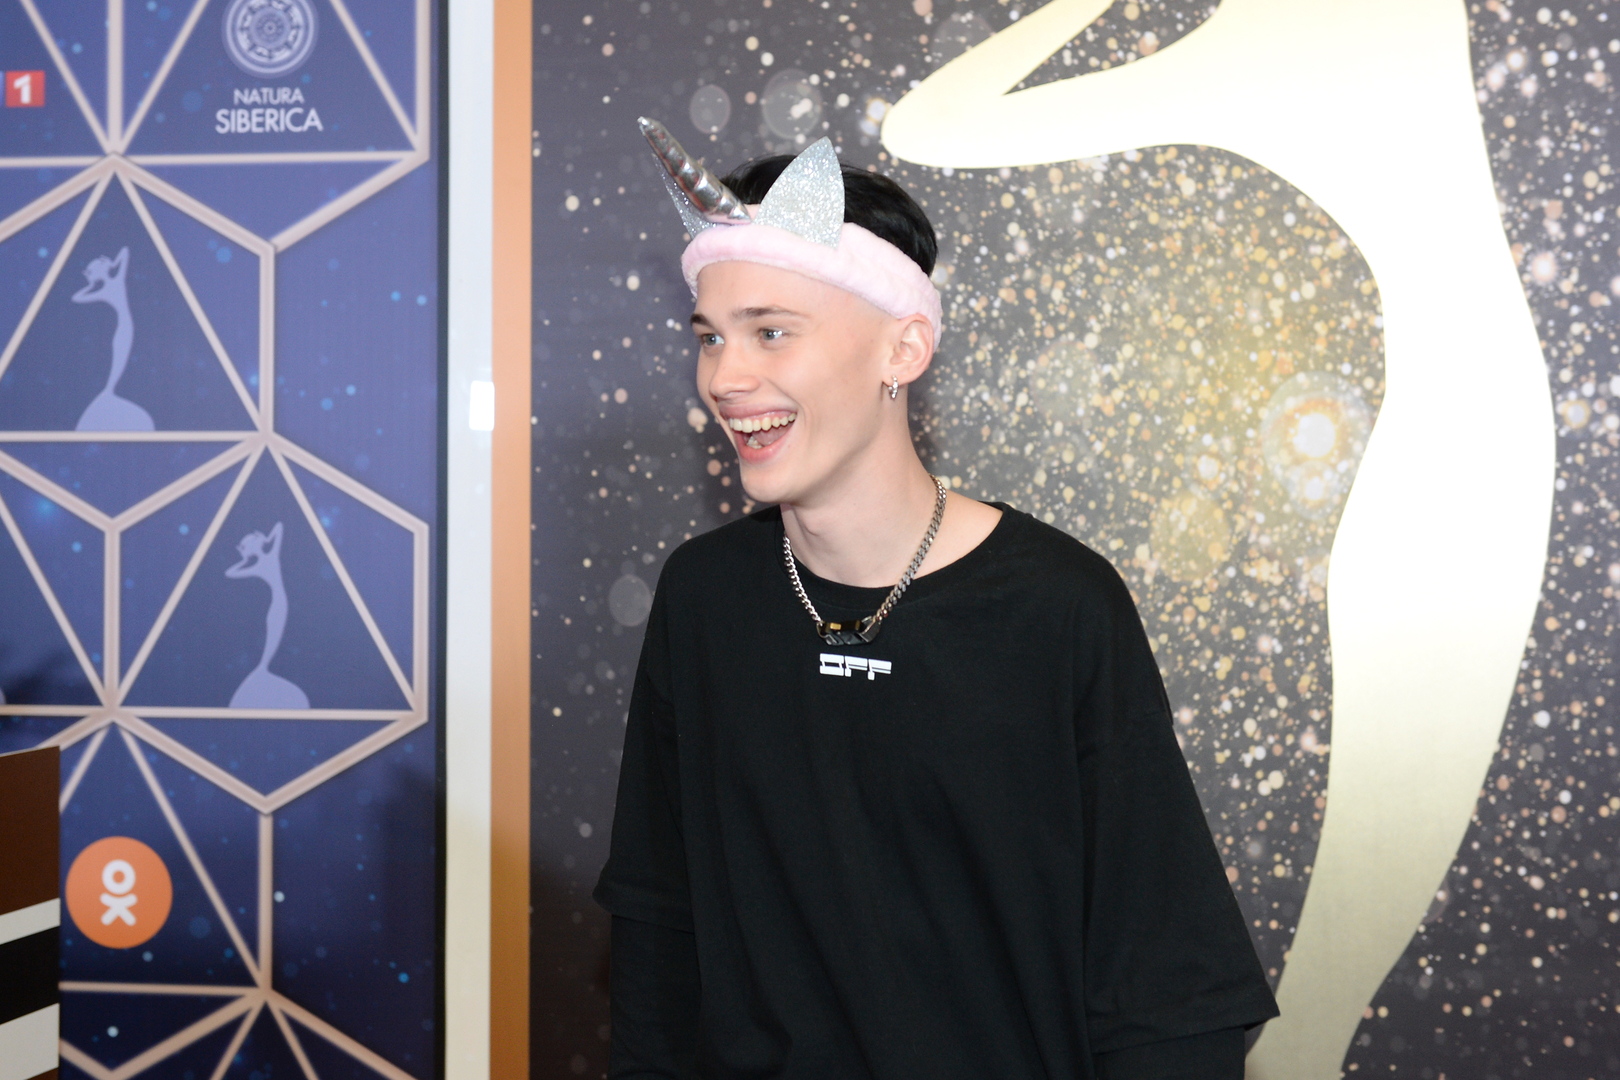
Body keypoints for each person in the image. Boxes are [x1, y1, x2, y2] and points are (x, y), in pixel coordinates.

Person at [594, 120, 1278, 1080]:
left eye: (771, 331)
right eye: (711, 337)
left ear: (904, 348)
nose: (726, 377)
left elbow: (1166, 984)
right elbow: (659, 923)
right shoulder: (706, 598)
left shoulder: (1056, 608)